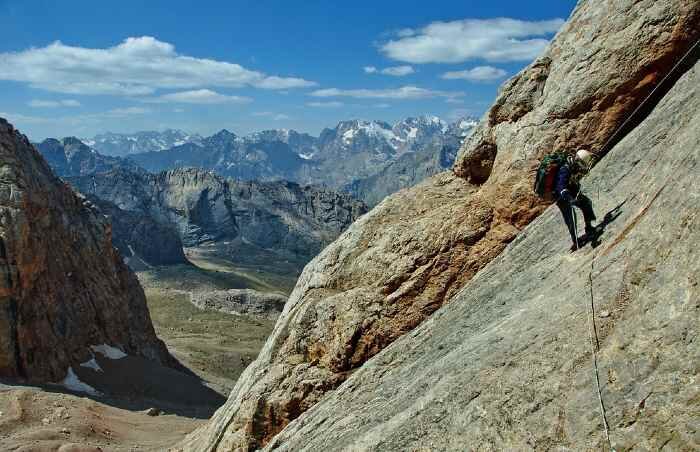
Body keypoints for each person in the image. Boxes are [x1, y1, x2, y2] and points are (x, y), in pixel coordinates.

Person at [555, 149, 597, 251]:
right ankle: (575, 241)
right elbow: (561, 186)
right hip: (561, 196)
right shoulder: (565, 169)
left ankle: (589, 227)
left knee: (586, 202)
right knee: (570, 216)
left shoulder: (573, 166)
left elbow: (580, 173)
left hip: (572, 190)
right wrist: (569, 199)